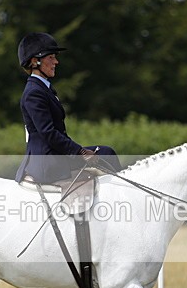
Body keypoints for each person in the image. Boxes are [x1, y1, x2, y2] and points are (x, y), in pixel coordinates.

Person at [14, 32, 121, 184]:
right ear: (34, 61)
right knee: (106, 153)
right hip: (47, 161)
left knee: (106, 152)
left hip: (55, 154)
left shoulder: (44, 88)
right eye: (51, 57)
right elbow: (48, 133)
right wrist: (80, 152)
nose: (56, 62)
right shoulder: (34, 92)